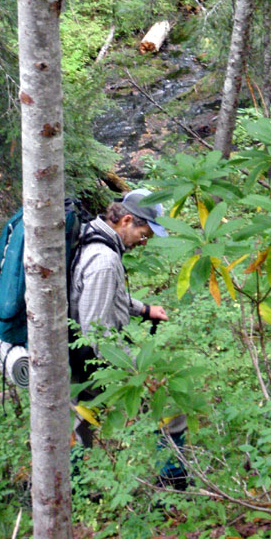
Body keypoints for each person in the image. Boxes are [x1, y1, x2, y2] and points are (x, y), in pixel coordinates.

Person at [68, 188, 189, 492]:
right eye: (144, 233)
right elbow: (95, 331)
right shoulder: (105, 259)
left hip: (74, 354)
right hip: (87, 357)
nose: (145, 242)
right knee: (170, 402)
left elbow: (101, 296)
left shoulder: (92, 235)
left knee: (80, 419)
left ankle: (74, 490)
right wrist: (137, 372)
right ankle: (172, 486)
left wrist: (144, 309)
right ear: (126, 220)